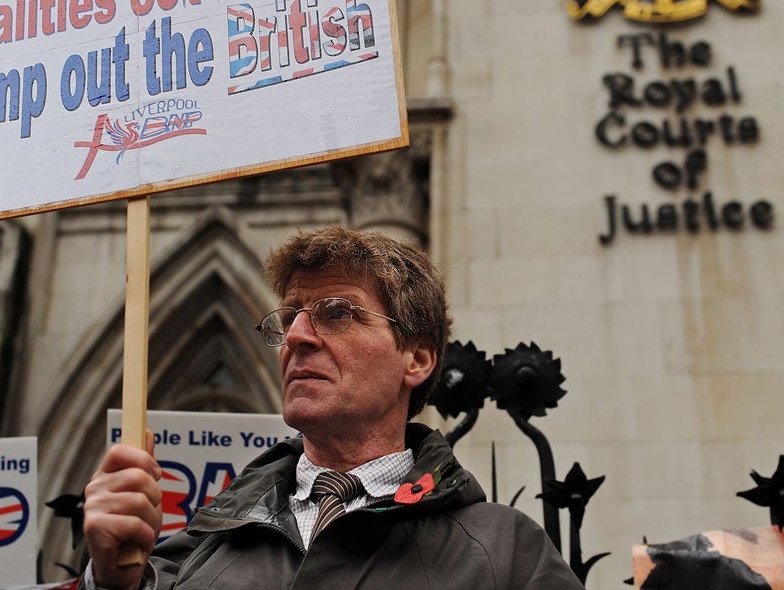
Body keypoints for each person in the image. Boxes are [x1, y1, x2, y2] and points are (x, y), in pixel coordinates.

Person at [82, 226, 585, 589]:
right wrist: (110, 582)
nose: (296, 337)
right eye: (288, 318)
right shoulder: (199, 548)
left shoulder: (504, 552)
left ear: (417, 358)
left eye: (337, 313)